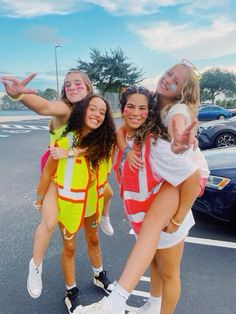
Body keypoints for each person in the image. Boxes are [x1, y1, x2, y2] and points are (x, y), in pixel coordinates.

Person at [75, 62, 209, 314]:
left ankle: (115, 303)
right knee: (156, 260)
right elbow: (122, 129)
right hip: (176, 177)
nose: (168, 79)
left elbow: (179, 128)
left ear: (183, 91)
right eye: (168, 72)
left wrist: (178, 218)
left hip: (187, 178)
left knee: (164, 261)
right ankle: (152, 305)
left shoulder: (174, 112)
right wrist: (125, 147)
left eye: (176, 81)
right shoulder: (151, 105)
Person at [0, 70, 114, 302]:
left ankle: (99, 269)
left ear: (89, 88)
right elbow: (44, 107)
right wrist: (18, 96)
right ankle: (39, 267)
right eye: (67, 84)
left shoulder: (94, 113)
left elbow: (107, 140)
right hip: (59, 177)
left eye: (77, 83)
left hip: (87, 183)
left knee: (102, 212)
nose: (72, 87)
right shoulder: (66, 110)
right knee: (52, 225)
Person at [35, 93, 116, 313]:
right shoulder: (64, 139)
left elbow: (102, 146)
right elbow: (47, 174)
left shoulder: (107, 140)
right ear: (82, 110)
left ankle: (99, 275)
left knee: (94, 239)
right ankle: (71, 292)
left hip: (92, 203)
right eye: (93, 109)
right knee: (69, 247)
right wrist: (40, 198)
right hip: (70, 204)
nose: (97, 115)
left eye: (102, 112)